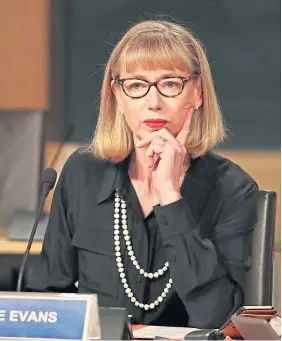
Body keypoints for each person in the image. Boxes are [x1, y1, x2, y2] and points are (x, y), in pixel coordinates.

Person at [26, 20, 259, 329]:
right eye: (136, 85)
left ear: (197, 93)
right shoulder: (83, 173)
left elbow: (222, 321)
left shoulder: (234, 189)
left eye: (170, 83)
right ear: (117, 96)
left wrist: (170, 198)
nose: (154, 103)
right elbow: (46, 299)